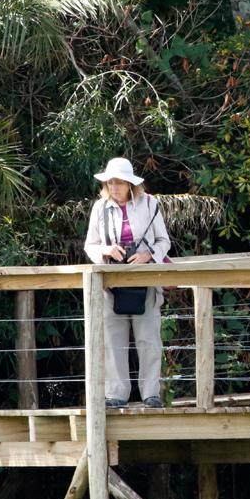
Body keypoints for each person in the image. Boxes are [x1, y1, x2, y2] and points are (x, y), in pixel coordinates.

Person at [84, 157, 171, 408]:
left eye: (119, 183)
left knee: (149, 339)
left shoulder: (150, 203)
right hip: (112, 282)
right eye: (110, 183)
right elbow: (90, 245)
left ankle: (151, 394)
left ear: (130, 184)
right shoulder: (99, 208)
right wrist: (107, 250)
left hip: (146, 280)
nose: (114, 187)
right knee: (113, 340)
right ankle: (116, 394)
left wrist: (147, 255)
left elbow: (164, 241)